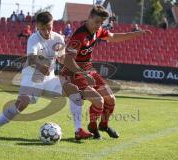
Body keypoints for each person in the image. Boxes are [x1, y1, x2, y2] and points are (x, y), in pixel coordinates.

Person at [0, 11, 93, 140]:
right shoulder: (33, 38)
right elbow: (32, 58)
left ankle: (78, 130)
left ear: (53, 24)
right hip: (32, 77)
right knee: (22, 103)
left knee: (74, 90)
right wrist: (40, 66)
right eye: (43, 29)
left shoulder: (58, 38)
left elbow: (63, 58)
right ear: (37, 27)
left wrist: (82, 73)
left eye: (49, 28)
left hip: (49, 79)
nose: (46, 32)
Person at [61, 5, 151, 139]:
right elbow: (67, 60)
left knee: (111, 99)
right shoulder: (79, 35)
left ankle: (103, 125)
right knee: (99, 101)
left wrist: (137, 34)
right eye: (97, 22)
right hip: (73, 73)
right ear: (89, 18)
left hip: (88, 70)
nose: (99, 25)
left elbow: (114, 37)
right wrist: (84, 75)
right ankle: (92, 129)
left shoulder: (98, 31)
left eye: (102, 23)